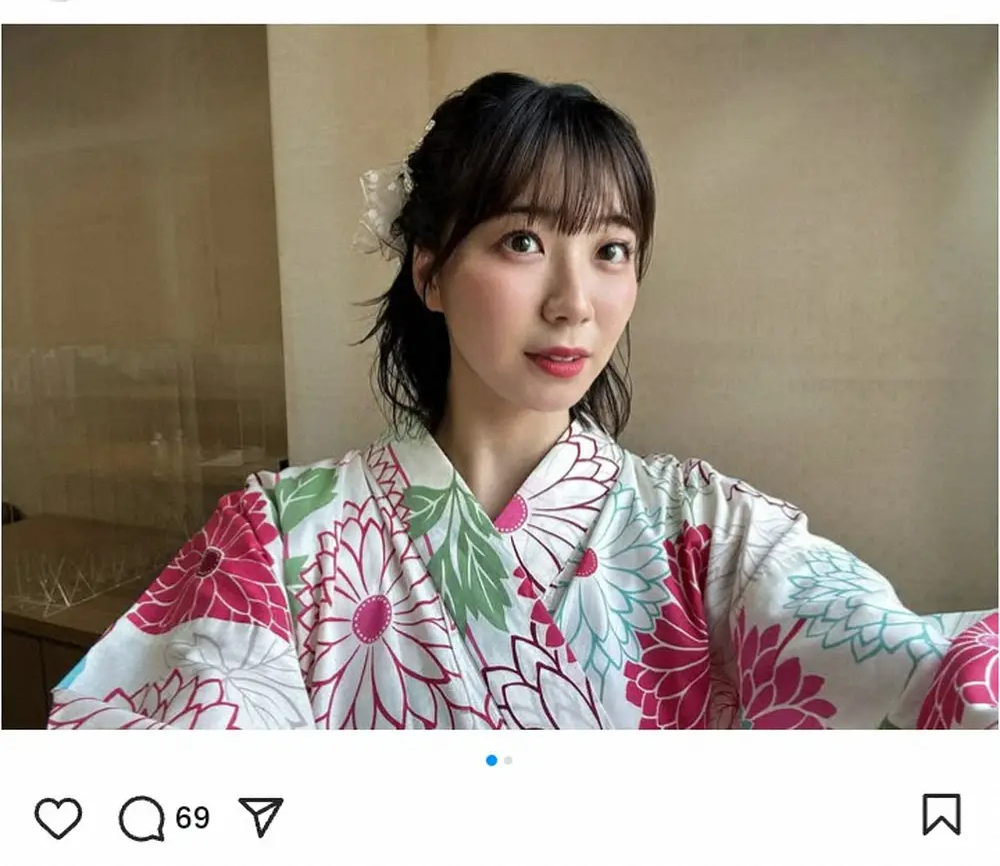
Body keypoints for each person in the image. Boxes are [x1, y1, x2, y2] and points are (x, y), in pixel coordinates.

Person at [48, 71, 998, 730]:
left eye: (611, 250)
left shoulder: (710, 537)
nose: (575, 301)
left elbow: (922, 662)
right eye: (523, 242)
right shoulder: (281, 537)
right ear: (429, 271)